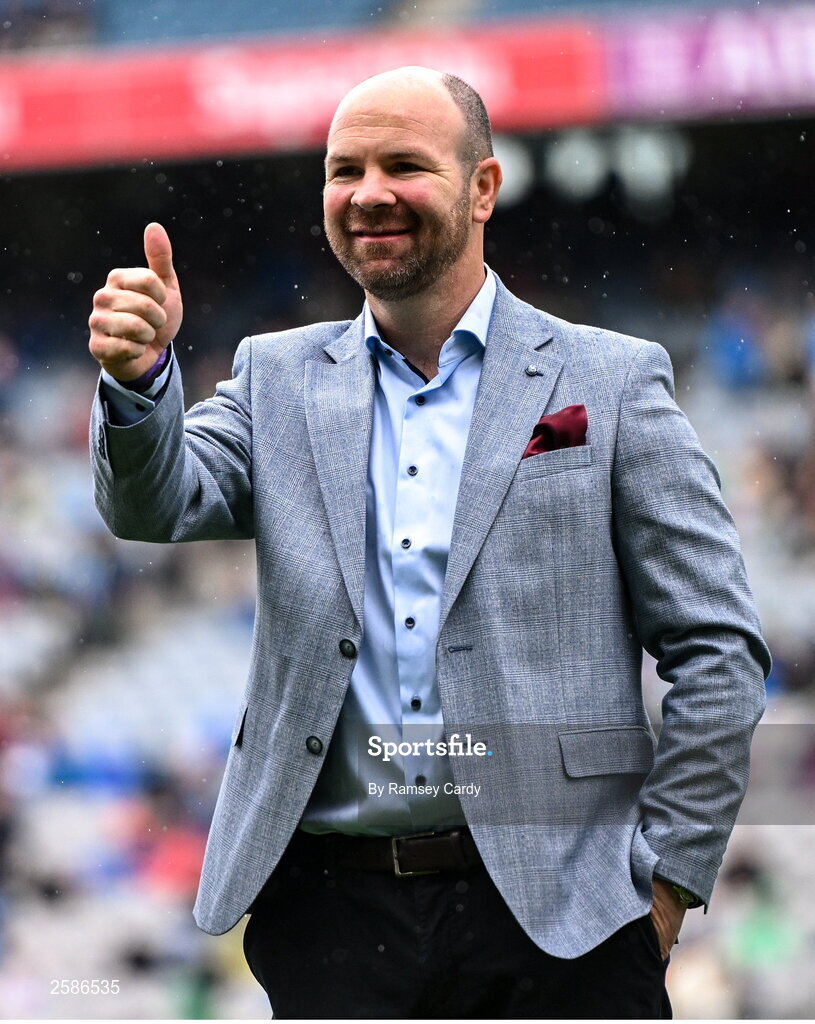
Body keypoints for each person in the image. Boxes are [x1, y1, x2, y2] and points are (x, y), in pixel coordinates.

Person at [87, 66, 771, 1018]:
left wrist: (666, 881)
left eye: (403, 165)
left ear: (482, 187)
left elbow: (718, 650)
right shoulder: (272, 377)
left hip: (565, 918)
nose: (367, 194)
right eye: (343, 170)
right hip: (332, 917)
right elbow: (154, 507)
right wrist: (139, 380)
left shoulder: (609, 382)